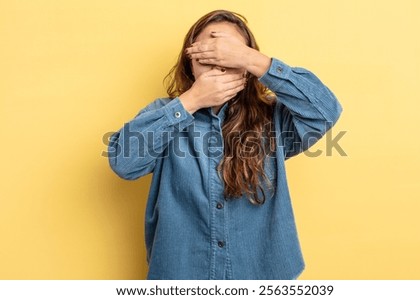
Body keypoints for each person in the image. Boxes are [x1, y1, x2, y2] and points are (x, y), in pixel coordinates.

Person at [108, 9, 343, 280]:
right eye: (208, 50)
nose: (218, 61)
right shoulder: (164, 112)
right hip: (182, 276)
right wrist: (191, 101)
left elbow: (325, 111)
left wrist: (251, 59)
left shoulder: (273, 117)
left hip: (262, 276)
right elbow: (124, 163)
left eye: (228, 52)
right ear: (190, 61)